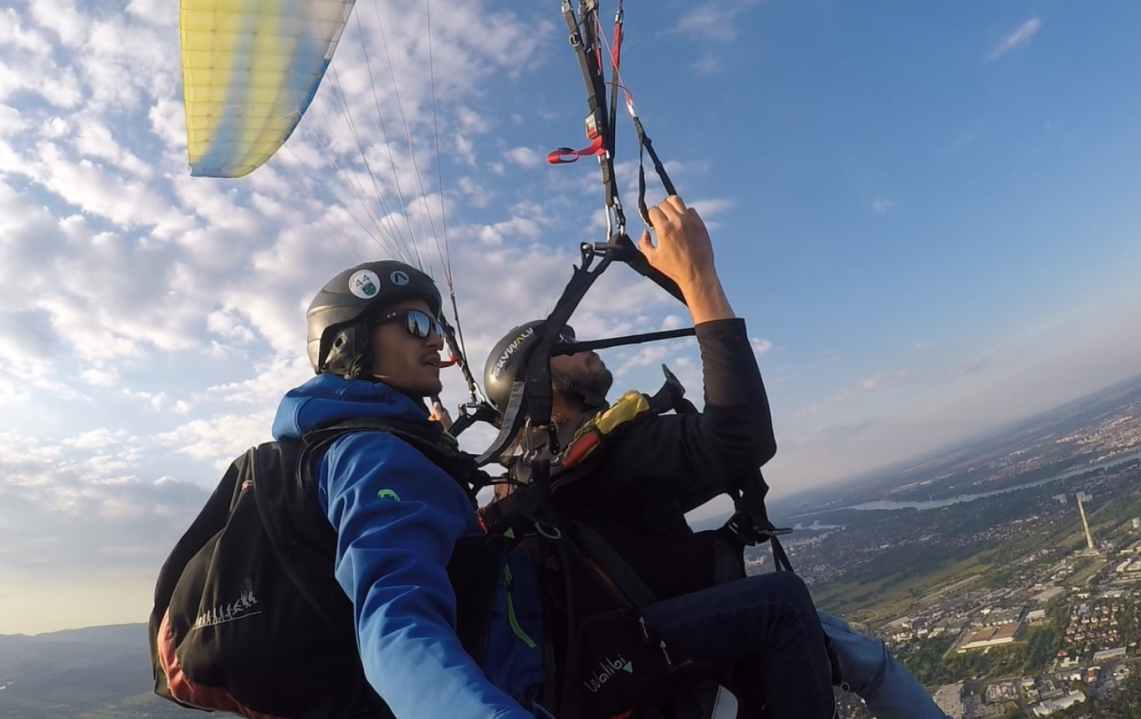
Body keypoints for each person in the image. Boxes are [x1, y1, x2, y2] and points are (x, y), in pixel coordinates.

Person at [482, 196, 947, 719]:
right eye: (562, 344)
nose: (583, 343)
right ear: (542, 382)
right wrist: (699, 281)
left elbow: (702, 468)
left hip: (628, 650)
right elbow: (739, 439)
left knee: (846, 645)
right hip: (658, 651)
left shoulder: (535, 479)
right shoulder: (601, 453)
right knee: (791, 607)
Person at [275, 260, 545, 719]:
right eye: (415, 324)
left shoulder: (378, 442)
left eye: (435, 324)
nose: (436, 339)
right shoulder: (372, 454)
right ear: (349, 343)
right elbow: (397, 621)